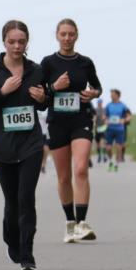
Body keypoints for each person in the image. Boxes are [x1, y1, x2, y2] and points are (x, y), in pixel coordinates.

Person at [0, 20, 47, 270]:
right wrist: (2, 91)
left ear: (27, 43)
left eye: (22, 41)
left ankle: (27, 255)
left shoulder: (36, 70)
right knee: (12, 201)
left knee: (26, 198)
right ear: (4, 41)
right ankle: (11, 239)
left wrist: (42, 99)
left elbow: (43, 103)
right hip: (2, 146)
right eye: (12, 41)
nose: (17, 46)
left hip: (31, 144)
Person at [40, 18, 102, 244]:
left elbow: (97, 86)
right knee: (64, 177)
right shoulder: (47, 63)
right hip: (57, 122)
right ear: (57, 35)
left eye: (71, 34)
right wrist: (55, 87)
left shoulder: (85, 63)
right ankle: (70, 223)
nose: (67, 38)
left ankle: (83, 223)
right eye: (63, 34)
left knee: (81, 169)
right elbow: (40, 94)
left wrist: (94, 94)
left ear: (77, 36)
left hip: (81, 119)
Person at [105, 89, 132, 172]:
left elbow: (129, 115)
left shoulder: (123, 106)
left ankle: (116, 164)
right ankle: (110, 161)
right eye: (110, 94)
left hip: (119, 129)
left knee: (118, 147)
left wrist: (124, 120)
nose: (111, 96)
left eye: (112, 94)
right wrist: (105, 120)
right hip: (109, 129)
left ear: (117, 95)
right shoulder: (108, 105)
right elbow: (104, 116)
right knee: (108, 148)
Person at [94, 98, 108, 164]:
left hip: (103, 128)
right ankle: (99, 156)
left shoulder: (104, 110)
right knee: (98, 143)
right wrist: (94, 119)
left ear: (102, 103)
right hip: (97, 128)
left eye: (100, 103)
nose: (99, 104)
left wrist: (104, 119)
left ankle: (104, 156)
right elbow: (94, 118)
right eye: (98, 103)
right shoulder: (95, 110)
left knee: (103, 142)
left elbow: (105, 117)